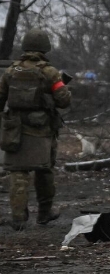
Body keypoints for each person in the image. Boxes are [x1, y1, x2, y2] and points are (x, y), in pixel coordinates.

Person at [0, 29, 71, 230]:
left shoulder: (10, 72)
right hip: (41, 131)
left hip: (15, 131)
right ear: (45, 48)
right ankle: (44, 213)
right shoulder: (50, 73)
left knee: (18, 173)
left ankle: (18, 218)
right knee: (44, 170)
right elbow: (63, 100)